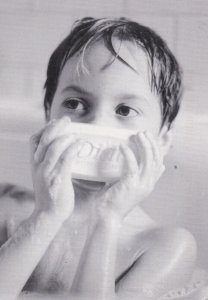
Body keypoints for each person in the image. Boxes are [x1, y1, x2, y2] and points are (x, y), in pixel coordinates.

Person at [0, 17, 197, 300]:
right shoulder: (8, 212)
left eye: (125, 110)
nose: (96, 126)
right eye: (75, 104)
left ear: (163, 139)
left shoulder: (164, 247)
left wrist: (108, 219)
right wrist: (45, 217)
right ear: (48, 116)